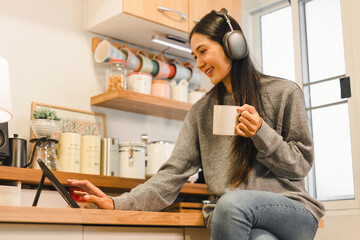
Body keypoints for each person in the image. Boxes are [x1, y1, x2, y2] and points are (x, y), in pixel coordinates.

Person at [68, 8, 325, 240]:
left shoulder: (284, 93)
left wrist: (261, 133)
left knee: (231, 204)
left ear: (233, 45)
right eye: (194, 55)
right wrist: (117, 203)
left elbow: (300, 166)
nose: (199, 63)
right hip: (234, 216)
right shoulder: (201, 111)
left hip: (291, 211)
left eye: (203, 51)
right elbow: (171, 175)